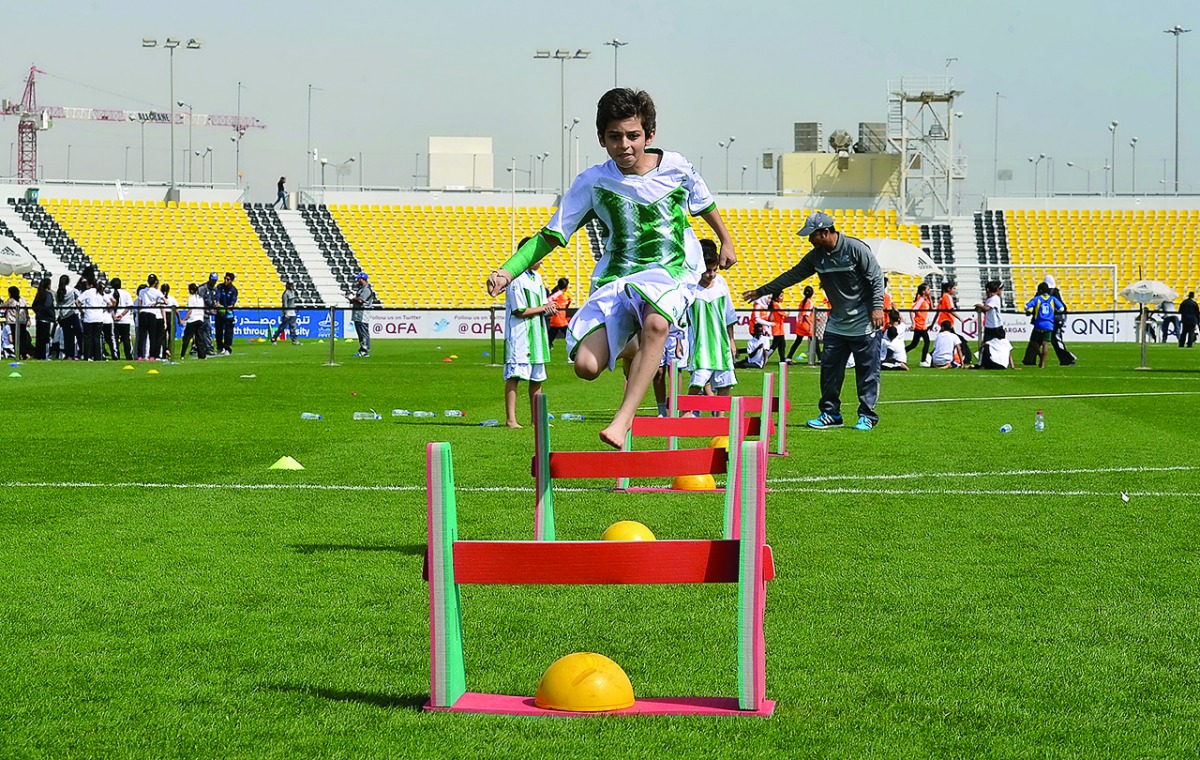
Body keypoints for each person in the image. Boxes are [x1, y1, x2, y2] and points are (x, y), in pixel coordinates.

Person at [485, 88, 735, 448]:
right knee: (586, 367)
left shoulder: (677, 167)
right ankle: (632, 344)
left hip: (671, 267)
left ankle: (623, 419)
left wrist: (725, 239)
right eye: (615, 136)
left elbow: (704, 202)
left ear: (649, 135)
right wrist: (507, 271)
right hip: (619, 274)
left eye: (633, 135)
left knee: (657, 324)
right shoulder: (593, 182)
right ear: (602, 138)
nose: (625, 145)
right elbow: (551, 234)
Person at [742, 210, 884, 431]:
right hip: (837, 323)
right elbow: (792, 275)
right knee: (829, 372)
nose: (809, 239)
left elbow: (876, 277)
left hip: (864, 323)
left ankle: (867, 416)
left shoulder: (856, 249)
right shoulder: (816, 256)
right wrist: (761, 291)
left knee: (867, 373)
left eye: (812, 235)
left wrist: (877, 307)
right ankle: (831, 414)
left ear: (825, 232)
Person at [503, 246, 556, 428]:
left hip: (537, 334)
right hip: (520, 335)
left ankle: (537, 420)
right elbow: (519, 311)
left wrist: (548, 308)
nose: (542, 260)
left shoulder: (537, 278)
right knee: (515, 376)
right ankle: (511, 420)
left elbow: (541, 304)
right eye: (539, 256)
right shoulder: (516, 279)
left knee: (537, 377)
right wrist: (543, 308)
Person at [686, 240, 738, 401]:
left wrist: (731, 341)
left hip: (721, 344)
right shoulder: (691, 287)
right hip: (701, 345)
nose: (712, 274)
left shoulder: (721, 285)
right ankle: (686, 411)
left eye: (714, 270)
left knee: (725, 384)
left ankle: (720, 414)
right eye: (708, 271)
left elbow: (729, 315)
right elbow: (684, 319)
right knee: (697, 381)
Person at [1022, 282, 1065, 368]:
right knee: (1045, 344)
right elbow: (1061, 308)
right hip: (1049, 325)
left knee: (1033, 341)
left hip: (1038, 324)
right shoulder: (1052, 299)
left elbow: (1026, 306)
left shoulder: (1037, 299)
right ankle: (1042, 364)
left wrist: (1029, 311)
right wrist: (1054, 312)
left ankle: (1040, 355)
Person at [1043, 275, 1077, 365]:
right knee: (1057, 339)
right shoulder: (1055, 291)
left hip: (1043, 320)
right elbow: (1061, 306)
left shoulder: (1041, 292)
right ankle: (1066, 358)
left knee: (1036, 340)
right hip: (1054, 319)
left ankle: (1029, 359)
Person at [77, 279, 111, 361]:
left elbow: (77, 301)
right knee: (97, 338)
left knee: (87, 338)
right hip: (98, 318)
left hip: (88, 317)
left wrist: (81, 311)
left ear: (91, 285)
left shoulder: (87, 292)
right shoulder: (101, 292)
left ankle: (87, 356)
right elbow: (110, 303)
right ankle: (97, 356)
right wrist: (103, 310)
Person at [136, 274, 165, 360]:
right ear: (155, 282)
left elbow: (139, 304)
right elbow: (166, 302)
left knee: (142, 336)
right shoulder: (157, 292)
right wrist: (156, 303)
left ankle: (140, 355)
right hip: (152, 314)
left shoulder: (142, 291)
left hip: (143, 313)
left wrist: (139, 315)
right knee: (152, 336)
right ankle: (152, 356)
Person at [55, 274, 83, 361]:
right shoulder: (72, 290)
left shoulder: (58, 291)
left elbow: (57, 304)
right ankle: (82, 353)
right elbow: (79, 300)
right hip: (72, 313)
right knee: (79, 334)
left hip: (63, 316)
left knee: (67, 336)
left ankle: (69, 355)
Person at [906, 283, 933, 366]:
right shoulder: (920, 300)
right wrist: (913, 323)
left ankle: (901, 353)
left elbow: (931, 308)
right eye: (928, 289)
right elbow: (912, 311)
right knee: (927, 342)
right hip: (919, 325)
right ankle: (923, 360)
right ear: (923, 291)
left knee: (914, 344)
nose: (929, 291)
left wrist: (929, 297)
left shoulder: (925, 300)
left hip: (922, 325)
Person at [3, 285, 33, 359]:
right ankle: (24, 353)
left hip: (13, 322)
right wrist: (28, 318)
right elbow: (26, 309)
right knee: (23, 337)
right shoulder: (23, 299)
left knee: (15, 338)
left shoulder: (11, 300)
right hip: (22, 321)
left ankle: (18, 353)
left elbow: (3, 305)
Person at [786, 285, 815, 362]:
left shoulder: (802, 302)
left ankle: (789, 357)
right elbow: (806, 315)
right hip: (806, 324)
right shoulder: (809, 302)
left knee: (797, 341)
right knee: (815, 341)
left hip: (800, 323)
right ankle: (820, 359)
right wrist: (810, 324)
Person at [180, 283, 209, 360]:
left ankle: (182, 354)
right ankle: (202, 355)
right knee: (199, 338)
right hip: (200, 319)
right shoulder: (200, 298)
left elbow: (190, 310)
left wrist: (184, 319)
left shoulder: (191, 299)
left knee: (186, 338)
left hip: (193, 320)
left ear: (191, 290)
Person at [349, 272, 375, 357]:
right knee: (360, 333)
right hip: (358, 314)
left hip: (363, 314)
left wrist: (353, 298)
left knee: (363, 332)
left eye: (358, 279)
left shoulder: (366, 289)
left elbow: (361, 300)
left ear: (362, 279)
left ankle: (365, 350)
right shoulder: (362, 289)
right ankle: (362, 349)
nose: (357, 280)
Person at [110, 277, 135, 361]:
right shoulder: (126, 293)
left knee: (115, 339)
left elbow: (109, 306)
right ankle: (128, 356)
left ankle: (116, 355)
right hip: (125, 319)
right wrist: (122, 315)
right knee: (126, 338)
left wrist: (114, 316)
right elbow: (129, 306)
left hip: (114, 319)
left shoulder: (110, 294)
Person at [215, 272, 238, 355]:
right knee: (218, 331)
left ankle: (227, 348)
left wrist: (230, 306)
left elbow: (233, 301)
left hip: (228, 313)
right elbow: (217, 296)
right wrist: (218, 303)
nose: (225, 280)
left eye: (228, 279)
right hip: (220, 313)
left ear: (231, 280)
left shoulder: (234, 290)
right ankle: (219, 347)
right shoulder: (220, 286)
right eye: (225, 278)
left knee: (228, 332)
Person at [31, 277, 55, 360]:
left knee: (39, 338)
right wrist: (52, 317)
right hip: (46, 319)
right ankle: (45, 355)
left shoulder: (39, 294)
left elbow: (33, 306)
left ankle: (38, 355)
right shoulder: (48, 294)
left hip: (39, 318)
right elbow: (48, 306)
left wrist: (38, 313)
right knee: (45, 338)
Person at [197, 272, 219, 356]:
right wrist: (209, 311)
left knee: (203, 331)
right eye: (212, 280)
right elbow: (200, 303)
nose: (214, 282)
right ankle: (209, 348)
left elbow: (213, 301)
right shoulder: (202, 289)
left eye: (215, 281)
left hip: (207, 313)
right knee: (206, 330)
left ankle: (197, 348)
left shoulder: (215, 289)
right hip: (201, 313)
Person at [546, 277, 571, 353]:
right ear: (566, 286)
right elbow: (548, 300)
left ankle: (548, 346)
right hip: (559, 320)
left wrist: (568, 303)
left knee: (551, 336)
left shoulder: (563, 295)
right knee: (569, 335)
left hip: (558, 320)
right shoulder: (558, 294)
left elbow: (563, 306)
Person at [160, 283, 178, 361]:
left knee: (163, 335)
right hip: (170, 315)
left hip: (162, 315)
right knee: (171, 334)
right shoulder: (172, 299)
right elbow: (176, 309)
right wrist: (179, 319)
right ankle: (169, 350)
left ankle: (164, 352)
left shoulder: (160, 298)